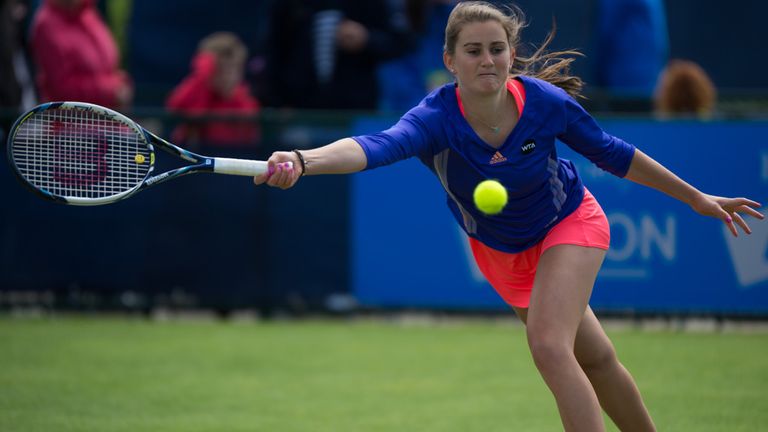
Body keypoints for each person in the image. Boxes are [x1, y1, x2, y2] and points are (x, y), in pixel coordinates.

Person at [254, 2, 763, 430]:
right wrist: (303, 160)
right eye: (473, 51)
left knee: (547, 345)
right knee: (597, 359)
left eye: (497, 49)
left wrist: (695, 197)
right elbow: (374, 146)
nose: (487, 60)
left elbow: (614, 153)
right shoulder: (433, 119)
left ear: (511, 54)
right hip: (502, 252)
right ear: (450, 60)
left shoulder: (545, 103)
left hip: (570, 222)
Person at [260, 0, 416, 110]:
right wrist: (277, 103)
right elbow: (274, 51)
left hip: (355, 110)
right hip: (299, 109)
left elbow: (402, 43)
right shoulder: (290, 5)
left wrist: (366, 39)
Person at [29, 0, 133, 110]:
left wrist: (119, 83)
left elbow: (108, 65)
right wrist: (110, 91)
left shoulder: (89, 12)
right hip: (69, 123)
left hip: (105, 120)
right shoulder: (46, 24)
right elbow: (62, 89)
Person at [166, 31, 260, 148]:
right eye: (219, 71)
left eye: (232, 70)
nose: (227, 77)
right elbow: (175, 106)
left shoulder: (246, 103)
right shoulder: (200, 91)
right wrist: (202, 76)